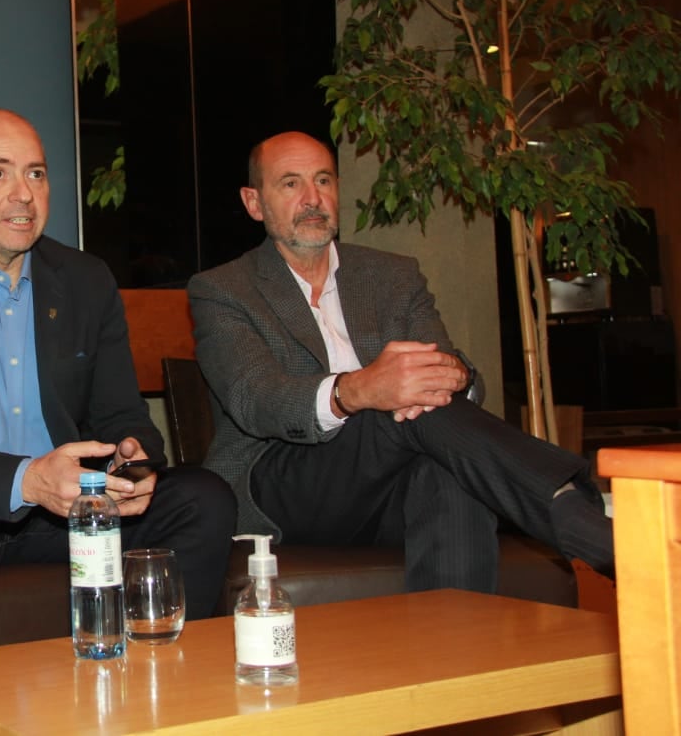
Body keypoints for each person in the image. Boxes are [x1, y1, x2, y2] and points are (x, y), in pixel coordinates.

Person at [0, 108, 236, 655]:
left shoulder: (84, 279)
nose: (23, 194)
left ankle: (159, 692)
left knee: (204, 498)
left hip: (76, 505)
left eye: (36, 173)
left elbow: (124, 416)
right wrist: (25, 480)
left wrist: (132, 456)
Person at [187, 131, 614, 592]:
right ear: (255, 202)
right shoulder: (223, 289)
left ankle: (455, 650)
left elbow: (439, 377)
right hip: (285, 485)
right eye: (290, 184)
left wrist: (457, 376)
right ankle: (583, 518)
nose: (313, 198)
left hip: (391, 486)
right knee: (395, 407)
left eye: (324, 180)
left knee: (445, 465)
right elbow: (257, 399)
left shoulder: (391, 275)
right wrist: (361, 390)